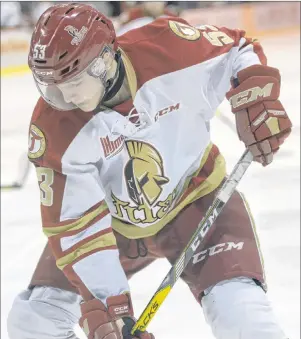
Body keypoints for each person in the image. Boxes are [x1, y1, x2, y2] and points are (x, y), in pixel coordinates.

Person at [7, 3, 292, 339]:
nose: (63, 97)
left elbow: (238, 51)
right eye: (53, 87)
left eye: (73, 82)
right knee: (33, 320)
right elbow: (77, 228)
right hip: (113, 225)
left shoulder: (170, 49)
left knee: (242, 317)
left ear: (102, 63)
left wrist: (254, 96)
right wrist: (111, 306)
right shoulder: (55, 126)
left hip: (198, 203)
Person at [114, 1, 179, 36]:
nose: (154, 5)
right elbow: (118, 24)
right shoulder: (134, 13)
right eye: (150, 2)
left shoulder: (170, 16)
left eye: (158, 2)